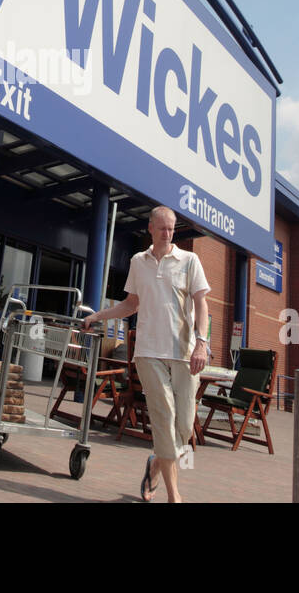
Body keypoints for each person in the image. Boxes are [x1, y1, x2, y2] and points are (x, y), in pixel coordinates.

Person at [84, 205, 209, 502]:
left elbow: (202, 305)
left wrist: (202, 343)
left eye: (171, 229)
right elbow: (130, 305)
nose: (167, 234)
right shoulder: (138, 262)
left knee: (184, 426)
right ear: (150, 228)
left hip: (185, 353)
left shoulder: (190, 260)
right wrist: (97, 316)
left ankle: (156, 463)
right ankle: (173, 494)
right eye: (162, 228)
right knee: (164, 420)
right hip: (149, 352)